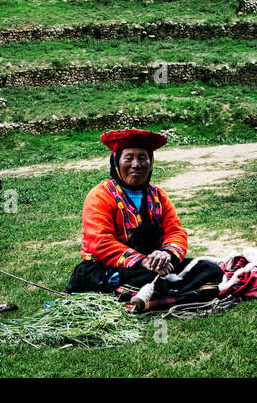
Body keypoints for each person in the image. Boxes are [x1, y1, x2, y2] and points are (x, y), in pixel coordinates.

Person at [65, 128, 222, 307]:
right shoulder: (101, 196)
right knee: (149, 279)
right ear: (116, 162)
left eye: (142, 158)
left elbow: (175, 231)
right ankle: (175, 292)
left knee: (209, 269)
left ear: (150, 162)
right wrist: (142, 261)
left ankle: (163, 292)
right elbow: (100, 242)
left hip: (154, 265)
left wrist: (165, 254)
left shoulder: (158, 196)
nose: (136, 164)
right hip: (107, 267)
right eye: (129, 158)